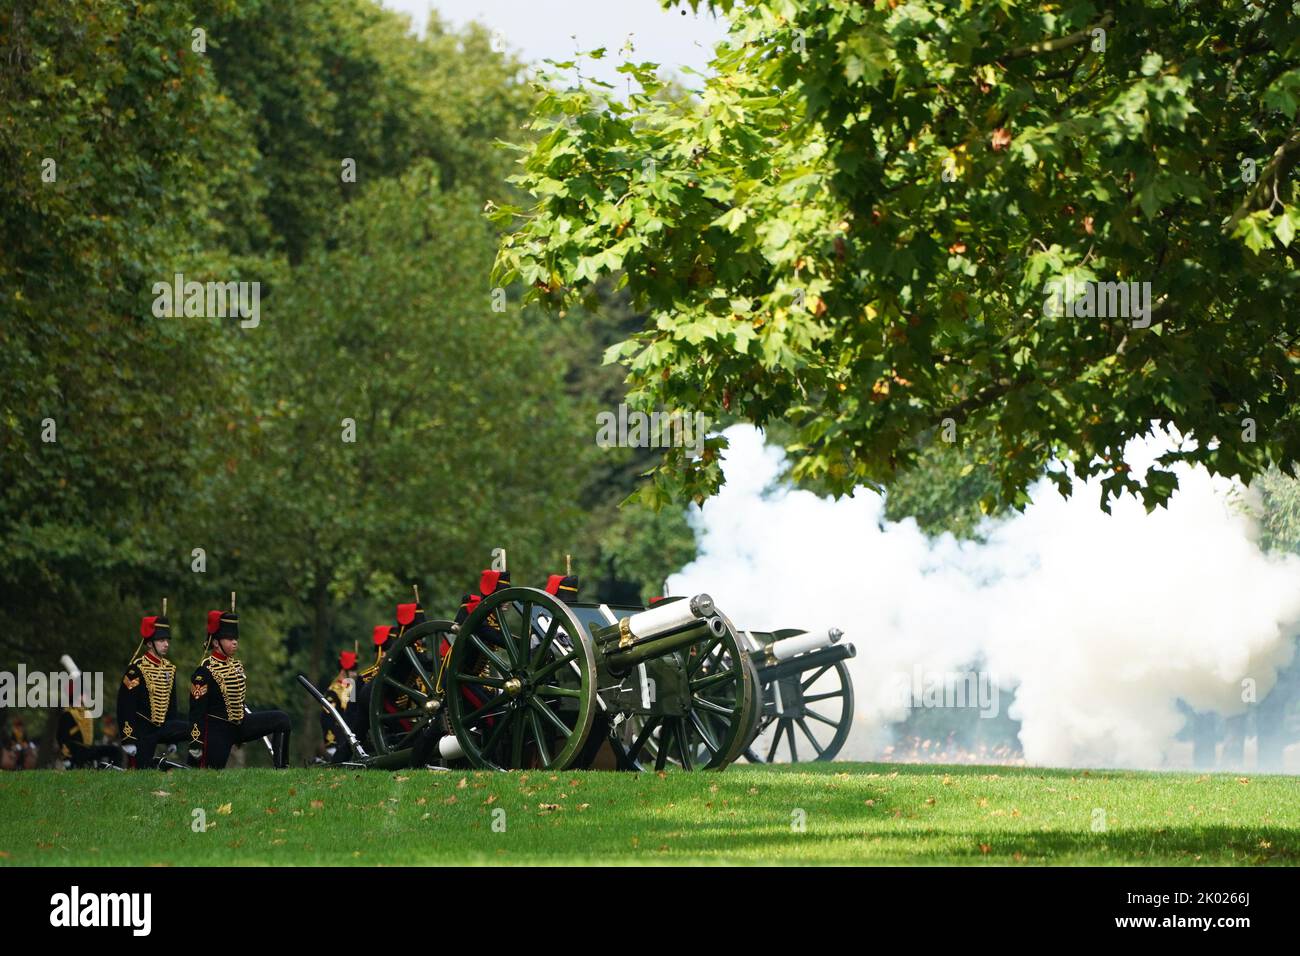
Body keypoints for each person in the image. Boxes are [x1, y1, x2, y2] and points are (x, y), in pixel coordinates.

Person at [188, 603, 292, 769]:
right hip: (218, 730)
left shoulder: (236, 666)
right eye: (230, 639)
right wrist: (196, 742)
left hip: (240, 724)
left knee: (282, 720)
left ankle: (281, 767)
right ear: (216, 642)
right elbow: (196, 711)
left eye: (235, 639)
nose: (235, 642)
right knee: (209, 775)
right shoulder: (204, 672)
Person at [118, 611, 190, 768]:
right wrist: (128, 738)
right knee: (141, 772)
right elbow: (125, 706)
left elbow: (172, 706)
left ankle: (199, 768)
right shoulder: (135, 669)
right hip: (142, 731)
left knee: (197, 729)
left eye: (167, 640)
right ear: (150, 643)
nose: (166, 644)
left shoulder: (169, 669)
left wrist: (173, 739)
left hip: (163, 727)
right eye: (162, 640)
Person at [57, 682, 124, 769]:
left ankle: (113, 770)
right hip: (76, 751)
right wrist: (67, 755)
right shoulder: (68, 714)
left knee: (115, 751)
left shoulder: (84, 712)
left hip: (87, 749)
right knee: (114, 751)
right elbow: (62, 738)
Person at [320, 650, 359, 762]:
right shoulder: (333, 692)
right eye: (352, 670)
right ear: (343, 670)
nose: (355, 673)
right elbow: (327, 720)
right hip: (339, 739)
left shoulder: (353, 686)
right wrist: (331, 744)